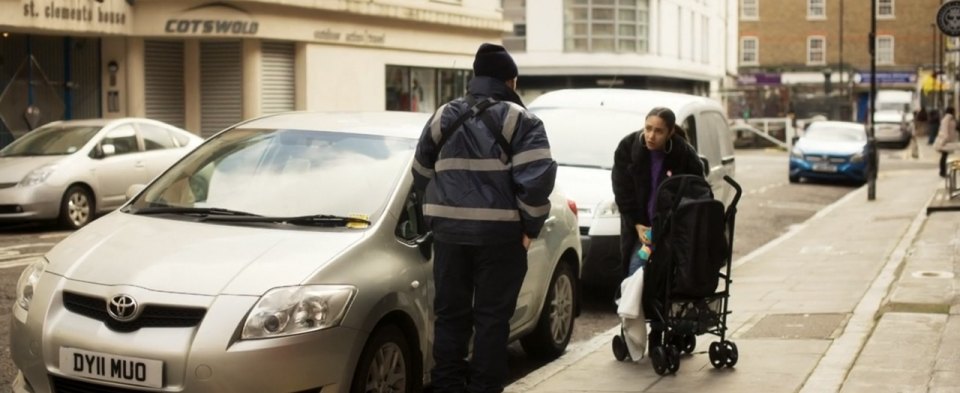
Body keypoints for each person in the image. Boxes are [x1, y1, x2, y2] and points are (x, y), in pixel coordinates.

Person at [411, 43, 557, 393]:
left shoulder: (441, 116)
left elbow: (419, 173)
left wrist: (436, 219)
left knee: (449, 319)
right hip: (500, 239)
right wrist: (529, 230)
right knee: (492, 323)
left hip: (449, 237)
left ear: (475, 78)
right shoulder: (522, 120)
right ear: (512, 81)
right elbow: (535, 185)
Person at [611, 107, 705, 285]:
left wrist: (671, 224)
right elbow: (622, 191)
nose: (651, 136)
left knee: (667, 285)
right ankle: (634, 312)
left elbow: (697, 191)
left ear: (670, 132)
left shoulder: (684, 154)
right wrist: (637, 224)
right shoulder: (628, 148)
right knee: (633, 280)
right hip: (641, 230)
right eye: (648, 128)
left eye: (659, 131)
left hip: (672, 231)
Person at [934, 107, 959, 178]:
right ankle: (943, 172)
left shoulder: (950, 119)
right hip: (945, 141)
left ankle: (943, 172)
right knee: (944, 157)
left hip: (947, 141)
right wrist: (943, 142)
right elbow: (945, 132)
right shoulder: (947, 119)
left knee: (945, 157)